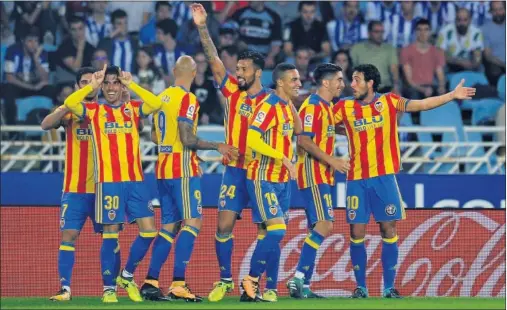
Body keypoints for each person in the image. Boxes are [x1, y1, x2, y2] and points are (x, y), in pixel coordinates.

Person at [331, 64, 475, 299]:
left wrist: (452, 95)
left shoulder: (389, 101)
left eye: (357, 80)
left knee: (388, 228)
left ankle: (389, 288)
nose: (352, 84)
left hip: (384, 178)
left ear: (370, 83)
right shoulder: (344, 106)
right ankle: (361, 288)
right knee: (356, 231)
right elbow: (324, 124)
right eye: (352, 80)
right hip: (356, 179)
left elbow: (422, 105)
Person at [191, 3, 281, 302]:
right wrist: (203, 27)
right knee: (223, 224)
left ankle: (261, 285)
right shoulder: (231, 90)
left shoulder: (271, 101)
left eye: (243, 69)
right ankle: (225, 280)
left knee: (266, 229)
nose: (238, 73)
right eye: (238, 69)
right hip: (234, 169)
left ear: (257, 72)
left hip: (261, 172)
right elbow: (213, 58)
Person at [138, 56, 238, 302]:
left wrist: (186, 152)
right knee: (193, 223)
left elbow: (154, 135)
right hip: (182, 171)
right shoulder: (189, 99)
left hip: (163, 169)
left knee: (169, 227)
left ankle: (150, 282)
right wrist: (217, 146)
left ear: (174, 71)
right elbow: (187, 138)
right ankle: (178, 283)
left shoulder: (161, 98)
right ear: (195, 73)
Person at [63, 65, 165, 303]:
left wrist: (132, 84)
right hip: (108, 183)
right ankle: (109, 288)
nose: (110, 87)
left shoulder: (133, 108)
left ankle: (127, 275)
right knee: (111, 235)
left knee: (149, 230)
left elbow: (157, 103)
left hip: (136, 181)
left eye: (115, 83)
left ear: (121, 86)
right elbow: (69, 102)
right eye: (107, 83)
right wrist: (92, 85)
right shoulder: (94, 111)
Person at [42, 67, 120, 301]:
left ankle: (110, 289)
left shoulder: (107, 109)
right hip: (75, 188)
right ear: (78, 86)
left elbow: (138, 128)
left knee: (111, 236)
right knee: (68, 236)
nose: (91, 85)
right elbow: (46, 124)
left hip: (104, 187)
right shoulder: (70, 112)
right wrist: (68, 104)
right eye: (85, 82)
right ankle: (65, 289)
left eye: (94, 81)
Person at [286, 63, 350, 298]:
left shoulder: (326, 107)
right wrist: (333, 161)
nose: (342, 84)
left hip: (322, 175)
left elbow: (331, 129)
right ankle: (298, 278)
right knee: (325, 224)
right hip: (313, 172)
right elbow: (303, 140)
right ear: (326, 82)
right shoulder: (312, 107)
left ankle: (305, 285)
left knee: (316, 227)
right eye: (339, 80)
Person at [241, 63, 302, 302]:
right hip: (262, 176)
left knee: (271, 234)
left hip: (282, 181)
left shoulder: (285, 106)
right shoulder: (268, 106)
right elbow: (252, 138)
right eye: (294, 80)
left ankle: (270, 288)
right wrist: (283, 158)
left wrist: (291, 101)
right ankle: (252, 279)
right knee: (277, 229)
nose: (299, 84)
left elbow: (298, 129)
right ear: (280, 82)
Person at [2, 27, 53, 126]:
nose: (33, 44)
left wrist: (36, 59)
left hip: (34, 86)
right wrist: (32, 87)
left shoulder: (42, 53)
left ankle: (51, 124)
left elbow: (45, 79)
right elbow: (9, 78)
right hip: (17, 87)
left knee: (51, 90)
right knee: (8, 90)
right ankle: (11, 129)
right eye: (30, 41)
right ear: (23, 41)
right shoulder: (12, 50)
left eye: (36, 41)